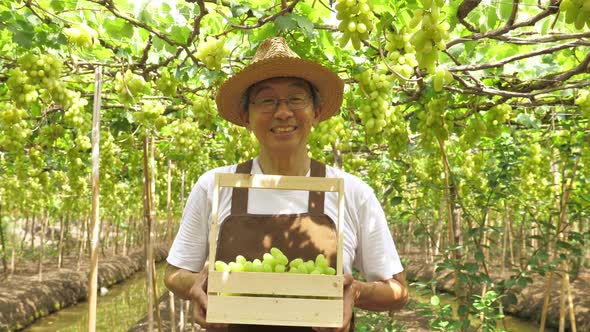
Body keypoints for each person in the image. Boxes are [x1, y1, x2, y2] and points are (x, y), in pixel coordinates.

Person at [164, 37, 409, 332]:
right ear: (246, 117)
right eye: (267, 100)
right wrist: (197, 286)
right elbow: (175, 272)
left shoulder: (353, 192)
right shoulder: (214, 186)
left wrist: (355, 290)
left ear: (316, 113)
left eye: (296, 99)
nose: (282, 112)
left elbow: (397, 290)